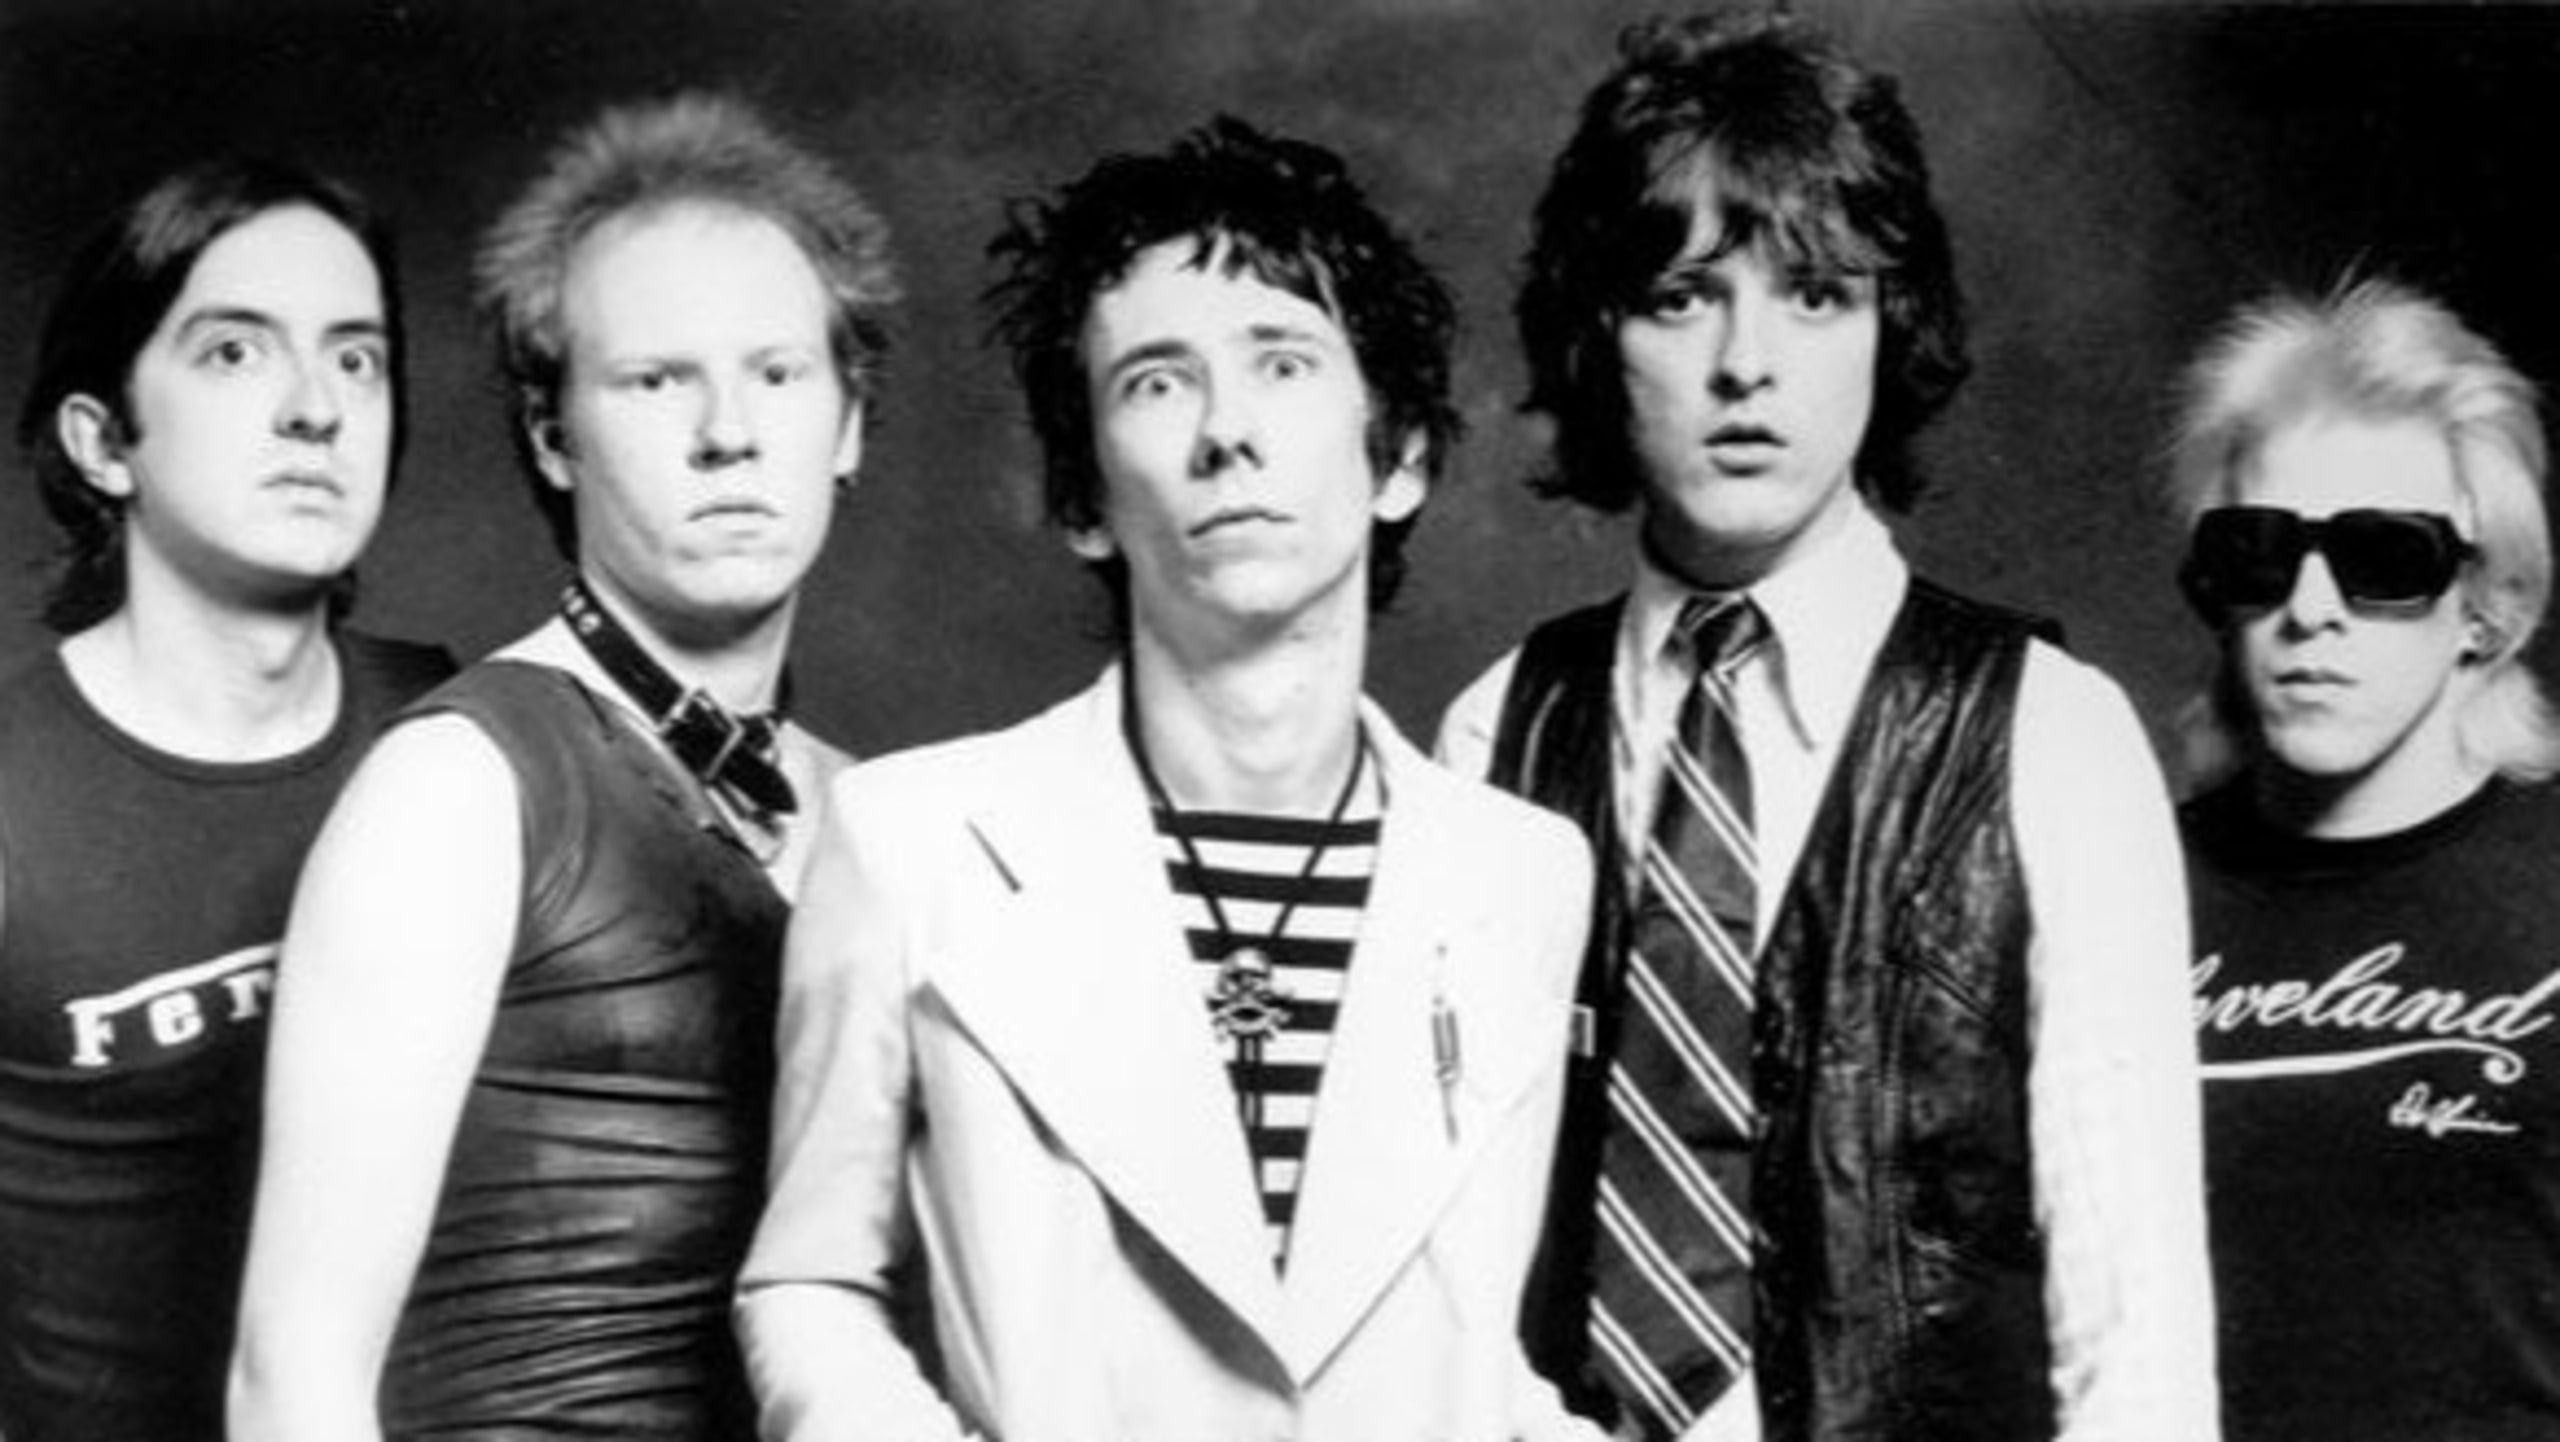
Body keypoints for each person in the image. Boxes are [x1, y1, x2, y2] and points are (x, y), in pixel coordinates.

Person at [736, 116, 1603, 1440]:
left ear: (1400, 458)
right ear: (1085, 501)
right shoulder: (914, 840)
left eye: (1283, 362)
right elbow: (808, 1281)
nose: (1227, 431)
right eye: (1156, 381)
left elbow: (1473, 1355)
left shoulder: (1523, 872)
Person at [1437, 12, 2218, 1440]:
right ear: (1598, 332)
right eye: (1681, 295)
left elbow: (2138, 1333)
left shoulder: (2053, 736)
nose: (1748, 362)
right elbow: (1447, 1291)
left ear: (1887, 326)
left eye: (1814, 293)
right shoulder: (1498, 731)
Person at [226, 94, 896, 1440]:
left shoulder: (874, 812)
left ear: (848, 422)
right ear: (551, 434)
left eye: (777, 373)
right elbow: (291, 1376)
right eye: (657, 380)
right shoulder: (460, 787)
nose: (729, 430)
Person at [0, 157, 452, 1441]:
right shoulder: (12, 794)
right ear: (102, 442)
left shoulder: (457, 736)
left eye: (356, 359)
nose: (316, 408)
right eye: (236, 353)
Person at [2172, 279, 2560, 1441]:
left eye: (2381, 555)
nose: (2310, 609)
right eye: (2258, 550)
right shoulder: (2114, 888)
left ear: (2486, 606)